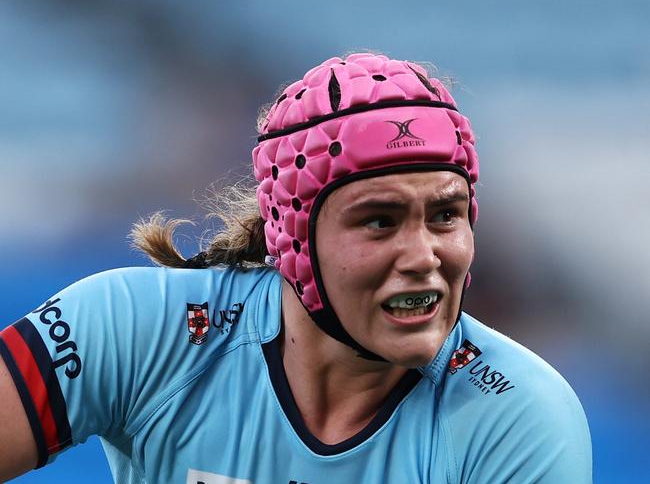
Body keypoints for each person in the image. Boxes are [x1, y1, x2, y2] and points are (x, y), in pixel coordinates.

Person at [0, 53, 592, 483]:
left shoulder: (520, 414)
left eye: (445, 215)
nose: (423, 257)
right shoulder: (138, 328)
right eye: (379, 221)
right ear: (293, 239)